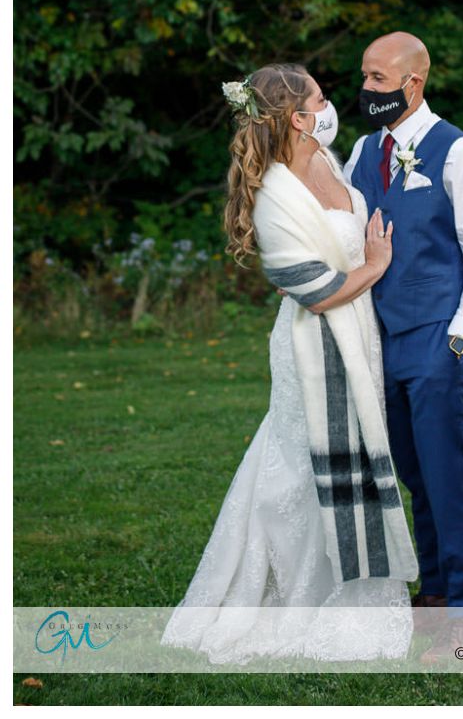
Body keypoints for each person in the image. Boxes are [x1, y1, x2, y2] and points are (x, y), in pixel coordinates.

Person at [161, 63, 418, 665]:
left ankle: (354, 582)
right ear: (297, 117)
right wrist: (376, 265)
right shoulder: (274, 192)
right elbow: (318, 291)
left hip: (361, 336)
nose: (330, 107)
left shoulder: (327, 158)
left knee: (348, 459)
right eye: (320, 100)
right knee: (302, 471)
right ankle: (294, 597)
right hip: (316, 342)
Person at [344, 32, 463, 661]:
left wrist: (458, 339)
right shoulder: (363, 150)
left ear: (414, 82)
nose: (367, 90)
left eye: (379, 79)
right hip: (377, 342)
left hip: (437, 340)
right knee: (412, 476)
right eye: (364, 77)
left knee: (444, 476)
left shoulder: (459, 153)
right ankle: (435, 592)